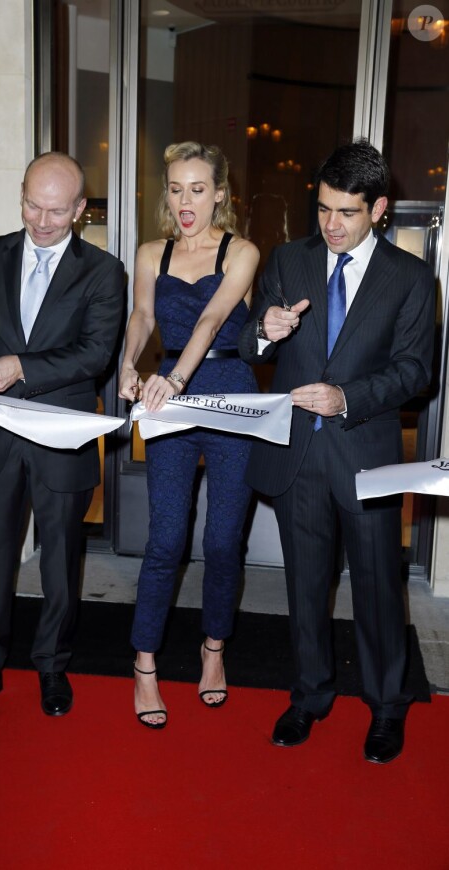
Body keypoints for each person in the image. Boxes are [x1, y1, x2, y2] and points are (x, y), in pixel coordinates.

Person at [238, 139, 435, 763]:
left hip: (366, 456)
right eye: (323, 209)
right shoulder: (289, 260)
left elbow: (416, 371)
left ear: (378, 209)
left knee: (378, 590)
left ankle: (387, 706)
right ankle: (310, 696)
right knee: (305, 588)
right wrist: (264, 331)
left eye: (347, 212)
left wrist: (347, 397)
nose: (331, 224)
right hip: (298, 456)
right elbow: (248, 341)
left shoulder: (411, 277)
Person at [0, 152, 125, 721]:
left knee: (61, 562)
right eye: (33, 206)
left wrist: (20, 366)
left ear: (81, 208)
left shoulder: (103, 271)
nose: (42, 221)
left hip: (61, 433)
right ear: (21, 196)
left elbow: (95, 354)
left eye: (57, 211)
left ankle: (52, 666)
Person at [118, 142, 260, 729]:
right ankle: (145, 664)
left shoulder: (243, 251)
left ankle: (213, 649)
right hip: (169, 405)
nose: (185, 201)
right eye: (176, 188)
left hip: (229, 397)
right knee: (166, 539)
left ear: (219, 194)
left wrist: (174, 377)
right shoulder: (151, 252)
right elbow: (143, 316)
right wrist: (128, 363)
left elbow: (212, 318)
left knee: (224, 541)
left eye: (198, 189)